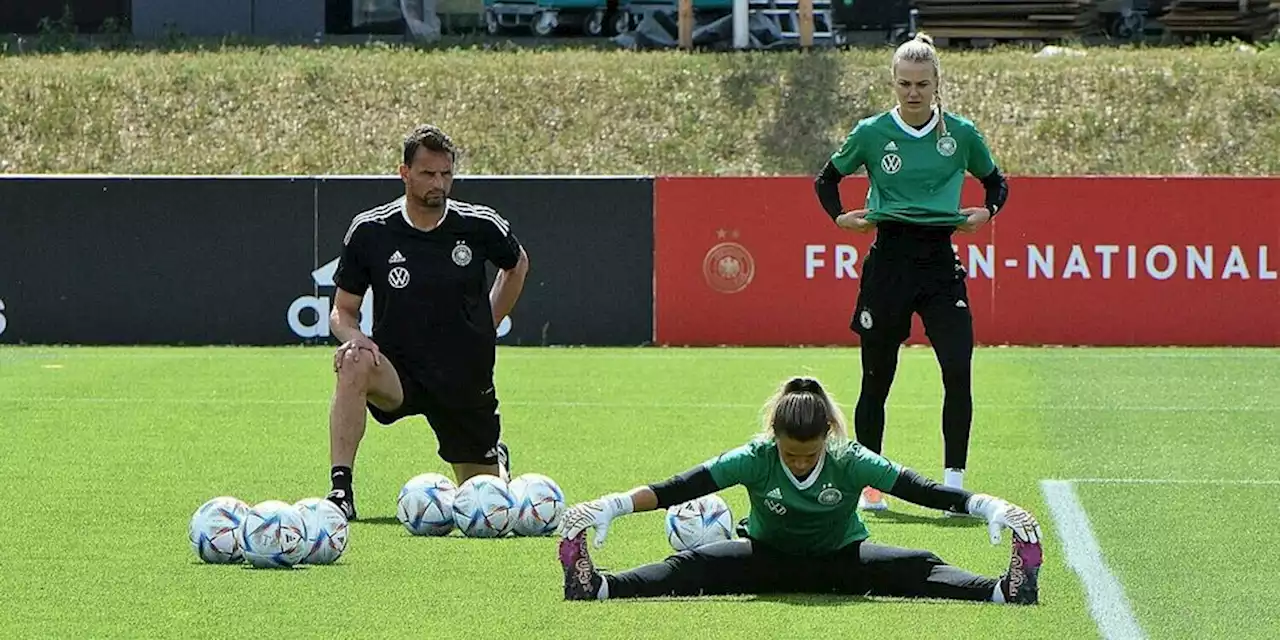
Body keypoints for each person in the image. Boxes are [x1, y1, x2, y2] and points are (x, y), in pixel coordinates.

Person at [556, 377, 1043, 605]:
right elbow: (682, 486)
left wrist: (985, 505)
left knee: (920, 564)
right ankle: (596, 586)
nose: (801, 462)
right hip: (766, 557)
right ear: (775, 437)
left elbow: (920, 488)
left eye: (810, 455)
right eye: (792, 454)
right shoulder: (755, 456)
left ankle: (1006, 590)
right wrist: (615, 505)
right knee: (690, 567)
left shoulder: (852, 460)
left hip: (843, 560)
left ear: (828, 436)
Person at [812, 32, 1011, 513]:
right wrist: (841, 218)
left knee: (957, 370)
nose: (913, 92)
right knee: (876, 379)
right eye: (904, 83)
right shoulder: (872, 132)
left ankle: (953, 487)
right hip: (889, 263)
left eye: (922, 83)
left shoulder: (961, 134)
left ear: (937, 83)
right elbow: (827, 180)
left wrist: (988, 212)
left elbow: (996, 182)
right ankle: (871, 483)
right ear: (893, 84)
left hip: (940, 264)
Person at [324, 124, 530, 520]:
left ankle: (496, 462)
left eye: (446, 174)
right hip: (398, 372)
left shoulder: (480, 224)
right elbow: (342, 310)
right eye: (428, 174)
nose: (439, 183)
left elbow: (517, 263)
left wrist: (487, 321)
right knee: (351, 360)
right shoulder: (370, 230)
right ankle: (340, 491)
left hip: (464, 377)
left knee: (484, 501)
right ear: (404, 173)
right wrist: (354, 338)